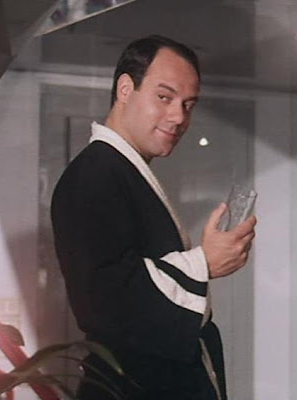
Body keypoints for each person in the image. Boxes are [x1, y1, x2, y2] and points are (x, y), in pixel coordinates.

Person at [51, 35, 256, 400]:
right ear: (125, 88)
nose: (179, 117)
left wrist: (203, 263)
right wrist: (204, 262)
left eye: (188, 104)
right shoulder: (96, 173)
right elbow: (102, 298)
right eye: (164, 97)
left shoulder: (117, 170)